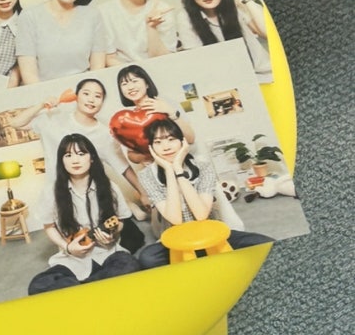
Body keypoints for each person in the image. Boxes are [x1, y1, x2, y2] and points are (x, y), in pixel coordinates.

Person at [7, 77, 146, 248]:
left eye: (98, 96)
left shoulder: (103, 133)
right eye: (86, 93)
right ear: (76, 96)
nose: (91, 99)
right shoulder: (53, 118)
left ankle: (129, 212)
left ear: (102, 102)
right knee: (75, 243)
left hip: (92, 195)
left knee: (124, 239)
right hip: (61, 193)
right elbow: (15, 123)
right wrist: (42, 104)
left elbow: (122, 167)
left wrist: (143, 192)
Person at [136, 118, 271, 269]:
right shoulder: (147, 175)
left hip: (210, 232)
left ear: (182, 141)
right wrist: (168, 170)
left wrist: (178, 170)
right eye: (158, 142)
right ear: (151, 148)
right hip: (176, 240)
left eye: (171, 139)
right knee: (148, 259)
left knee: (264, 243)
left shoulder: (203, 167)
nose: (166, 147)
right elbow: (175, 219)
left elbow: (201, 215)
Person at [28, 134, 141, 295]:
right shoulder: (51, 192)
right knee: (38, 286)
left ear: (92, 158)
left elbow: (121, 220)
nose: (75, 160)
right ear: (61, 161)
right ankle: (98, 289)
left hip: (107, 253)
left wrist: (112, 234)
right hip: (72, 259)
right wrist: (68, 247)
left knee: (130, 266)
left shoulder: (110, 187)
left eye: (81, 154)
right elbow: (49, 227)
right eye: (68, 155)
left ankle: (81, 290)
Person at [15, 0, 116, 84]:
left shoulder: (93, 16)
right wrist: (44, 96)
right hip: (42, 92)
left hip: (82, 91)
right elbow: (29, 74)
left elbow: (97, 68)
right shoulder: (29, 16)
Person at [176, 0, 271, 79]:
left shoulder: (236, 5)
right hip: (226, 81)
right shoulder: (185, 18)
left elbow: (268, 34)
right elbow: (196, 61)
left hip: (266, 74)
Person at [112, 64, 195, 167]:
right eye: (124, 84)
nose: (130, 87)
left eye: (134, 81)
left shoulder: (166, 104)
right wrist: (148, 155)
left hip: (184, 164)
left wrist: (171, 112)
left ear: (147, 84)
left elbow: (190, 138)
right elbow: (131, 155)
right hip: (156, 170)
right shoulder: (126, 119)